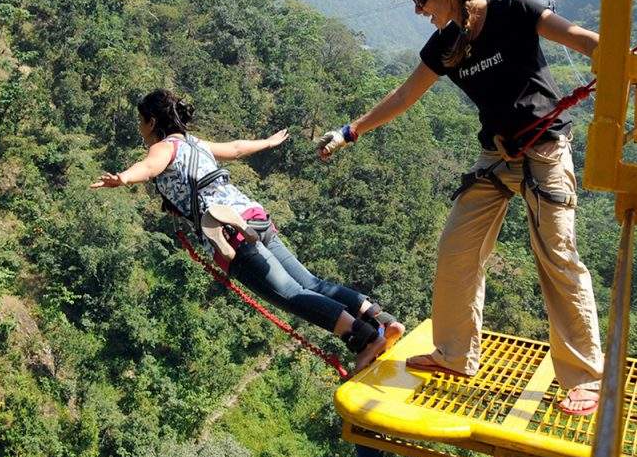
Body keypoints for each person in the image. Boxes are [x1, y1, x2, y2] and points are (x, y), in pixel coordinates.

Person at [317, 0, 603, 415]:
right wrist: (352, 131)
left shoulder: (515, 10)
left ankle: (586, 377)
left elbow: (579, 38)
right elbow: (405, 95)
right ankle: (455, 355)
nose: (417, 10)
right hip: (496, 154)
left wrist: (616, 59)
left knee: (556, 255)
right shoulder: (445, 45)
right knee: (457, 249)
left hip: (545, 150)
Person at [91, 89, 405, 374]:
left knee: (293, 295)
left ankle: (364, 340)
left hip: (229, 231)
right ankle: (383, 321)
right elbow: (237, 148)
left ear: (151, 121)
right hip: (253, 216)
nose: (140, 128)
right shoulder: (194, 143)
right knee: (311, 283)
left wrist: (122, 178)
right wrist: (267, 143)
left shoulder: (163, 147)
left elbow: (148, 168)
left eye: (140, 121)